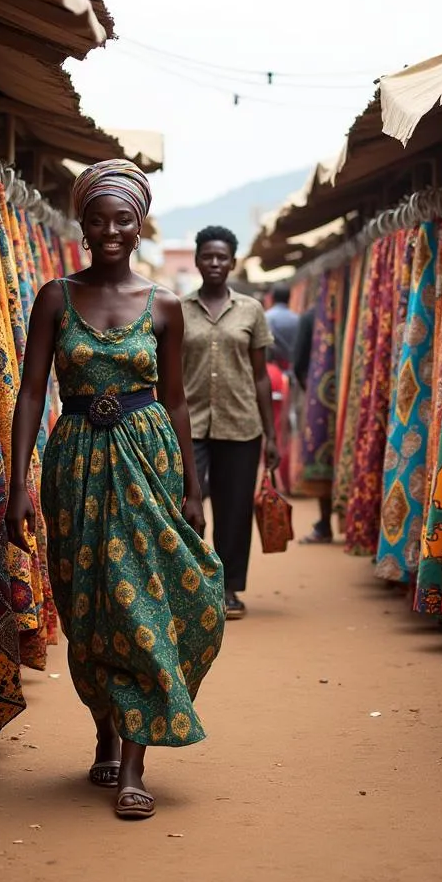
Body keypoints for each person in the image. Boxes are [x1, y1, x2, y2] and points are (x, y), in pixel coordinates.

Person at [6, 159, 225, 821]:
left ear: (140, 226)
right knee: (89, 607)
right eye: (97, 219)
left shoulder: (163, 305)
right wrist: (19, 482)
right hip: (74, 466)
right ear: (82, 224)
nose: (110, 231)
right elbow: (33, 392)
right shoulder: (54, 296)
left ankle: (134, 764)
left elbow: (178, 402)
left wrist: (193, 484)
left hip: (147, 461)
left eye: (122, 220)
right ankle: (106, 726)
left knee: (146, 603)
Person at [182, 227, 279, 621]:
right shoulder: (178, 307)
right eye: (208, 256)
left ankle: (229, 588)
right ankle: (192, 584)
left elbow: (260, 375)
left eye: (222, 257)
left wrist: (271, 435)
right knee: (186, 504)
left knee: (234, 510)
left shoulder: (251, 310)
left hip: (242, 426)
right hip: (188, 426)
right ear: (197, 260)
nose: (215, 263)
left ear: (233, 262)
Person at [293, 307, 334, 543]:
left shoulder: (311, 315)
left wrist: (313, 390)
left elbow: (298, 361)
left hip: (320, 397)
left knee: (321, 450)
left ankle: (325, 522)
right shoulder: (360, 308)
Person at [264, 282, 299, 369]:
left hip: (273, 370)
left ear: (272, 298)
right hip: (292, 368)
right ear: (289, 298)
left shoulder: (267, 318)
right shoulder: (297, 319)